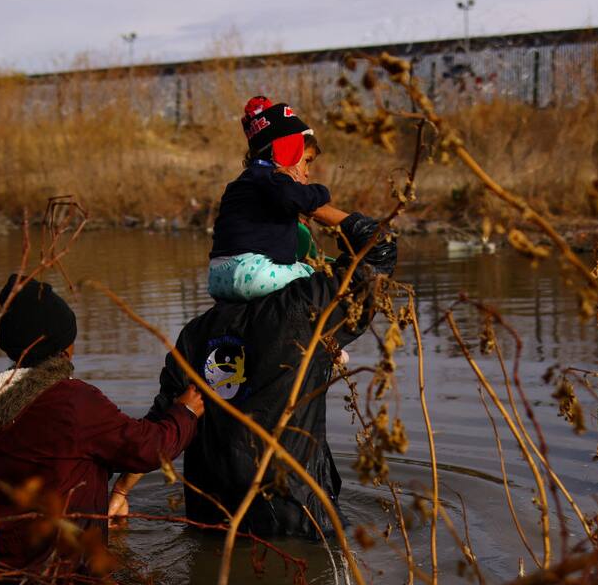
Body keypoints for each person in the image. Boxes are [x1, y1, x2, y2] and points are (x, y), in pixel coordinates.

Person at [111, 212, 397, 538]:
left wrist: (121, 491)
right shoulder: (302, 312)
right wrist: (310, 199)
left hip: (213, 519)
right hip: (295, 520)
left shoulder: (195, 333)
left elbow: (163, 424)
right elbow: (379, 250)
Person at [0, 274, 203, 571]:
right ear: (65, 348)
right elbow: (147, 447)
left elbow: (66, 457)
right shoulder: (73, 401)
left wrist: (111, 498)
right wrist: (186, 412)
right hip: (57, 572)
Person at [207, 96, 351, 301]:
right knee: (317, 278)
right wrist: (321, 192)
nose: (308, 172)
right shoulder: (273, 179)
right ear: (287, 152)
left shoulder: (244, 183)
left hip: (217, 277)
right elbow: (294, 197)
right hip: (251, 272)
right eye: (306, 161)